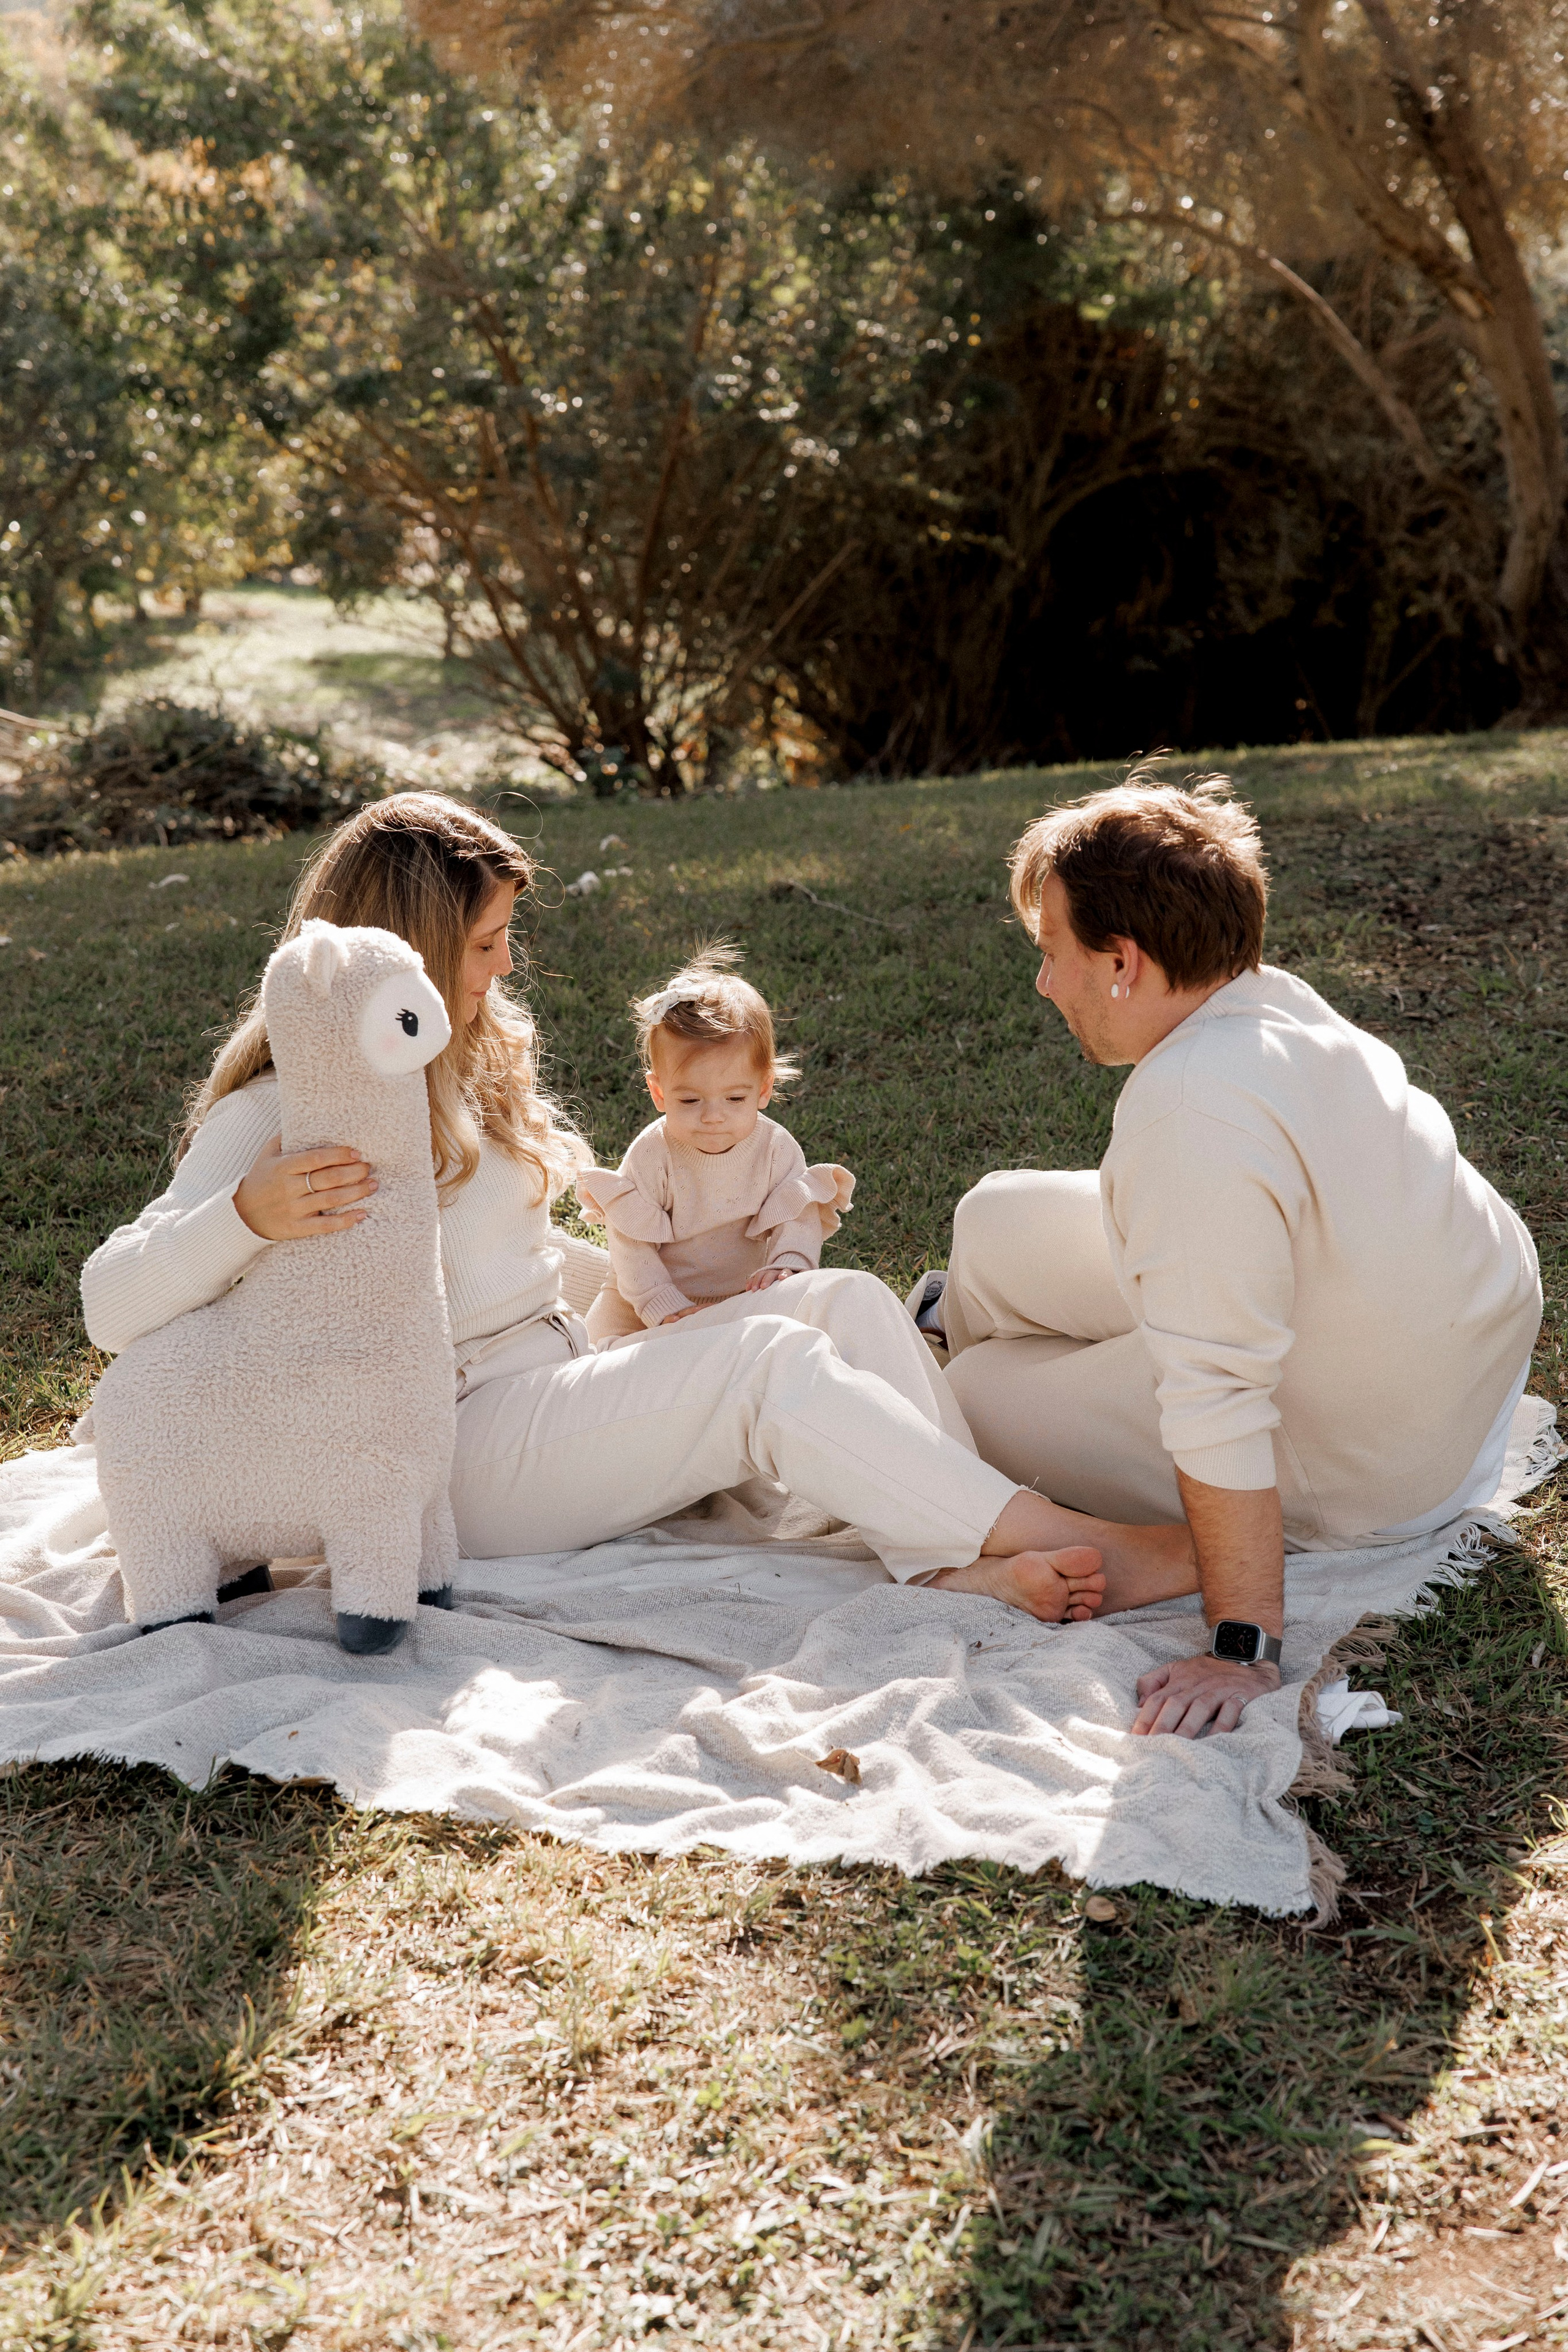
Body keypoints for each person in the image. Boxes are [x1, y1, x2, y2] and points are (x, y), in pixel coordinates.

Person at [80, 792, 1196, 1627]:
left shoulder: (461, 1066)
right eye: (481, 945)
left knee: (841, 1304)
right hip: (447, 1445)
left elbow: (504, 1256)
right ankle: (1077, 1543)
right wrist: (247, 1214)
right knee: (765, 1369)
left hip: (558, 1370)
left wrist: (651, 1292)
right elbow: (108, 1304)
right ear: (407, 952)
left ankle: (957, 1552)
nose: (504, 965)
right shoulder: (289, 1109)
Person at [912, 769, 1543, 1738]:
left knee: (976, 1396)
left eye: (1053, 953)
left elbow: (1220, 1398)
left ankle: (983, 1379)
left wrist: (1242, 1641)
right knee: (991, 1217)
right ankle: (942, 1319)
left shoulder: (1189, 1108)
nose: (1043, 983)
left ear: (1122, 961)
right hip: (1397, 1338)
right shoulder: (1263, 999)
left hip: (1368, 1455)